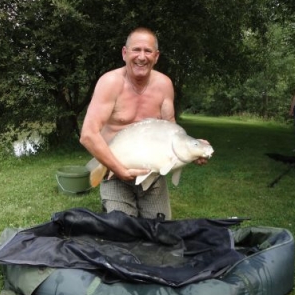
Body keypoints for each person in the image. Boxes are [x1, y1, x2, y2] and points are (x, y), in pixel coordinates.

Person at [80, 27, 207, 220]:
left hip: (153, 176)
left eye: (148, 51)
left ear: (156, 56)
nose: (141, 57)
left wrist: (191, 148)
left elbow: (170, 128)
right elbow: (88, 134)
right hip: (114, 172)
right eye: (136, 50)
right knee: (123, 231)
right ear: (124, 53)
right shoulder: (110, 83)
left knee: (160, 230)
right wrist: (119, 170)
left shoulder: (164, 85)